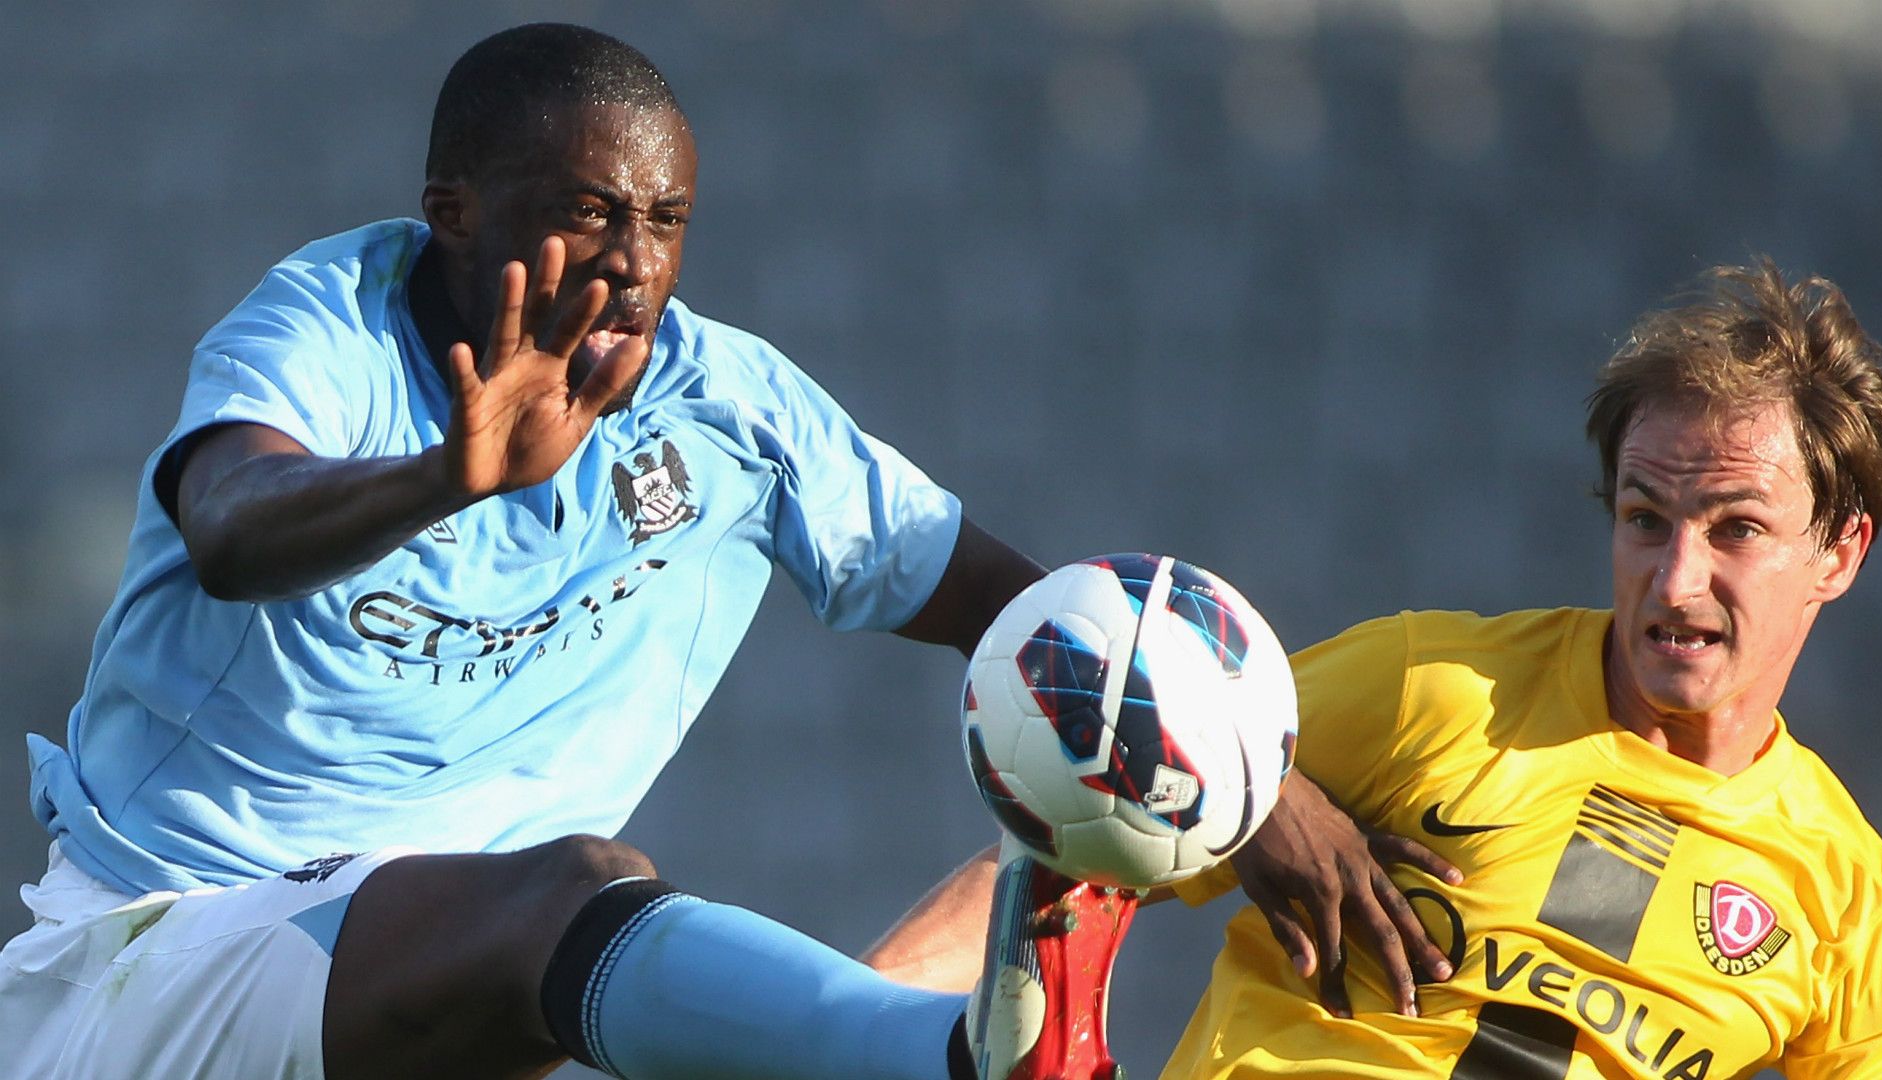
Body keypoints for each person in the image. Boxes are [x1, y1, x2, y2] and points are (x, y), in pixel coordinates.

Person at [0, 23, 1437, 1080]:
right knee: (579, 886)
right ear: (453, 211)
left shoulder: (732, 412)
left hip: (456, 1002)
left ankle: (970, 1028)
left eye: (665, 220)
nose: (632, 259)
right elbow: (235, 528)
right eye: (587, 213)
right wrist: (449, 476)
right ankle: (948, 1062)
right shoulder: (329, 321)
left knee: (571, 905)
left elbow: (1032, 617)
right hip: (155, 958)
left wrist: (1258, 793)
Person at [1147, 264, 1882, 1076]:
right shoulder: (1438, 688)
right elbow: (1071, 806)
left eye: (1737, 529)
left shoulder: (1852, 911)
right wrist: (1255, 796)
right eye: (1646, 519)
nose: (1675, 580)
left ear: (1839, 553)